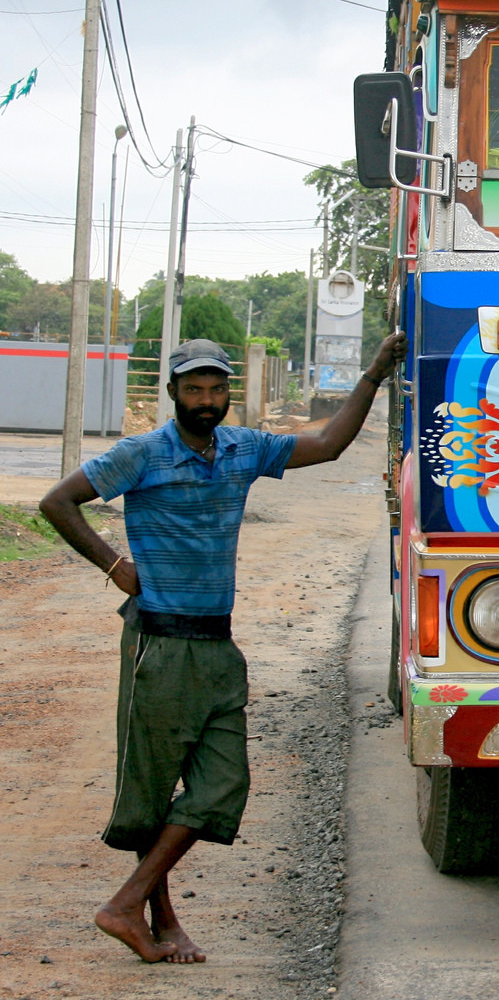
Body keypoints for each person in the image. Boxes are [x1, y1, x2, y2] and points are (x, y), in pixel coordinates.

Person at [38, 333, 406, 964]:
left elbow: (327, 444)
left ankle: (125, 906)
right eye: (193, 390)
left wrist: (374, 374)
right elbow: (57, 502)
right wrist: (114, 565)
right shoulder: (142, 453)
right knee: (152, 795)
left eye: (215, 390)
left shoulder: (242, 449)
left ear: (226, 393)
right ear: (173, 393)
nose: (205, 401)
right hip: (159, 645)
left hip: (217, 643)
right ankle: (156, 920)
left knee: (222, 784)